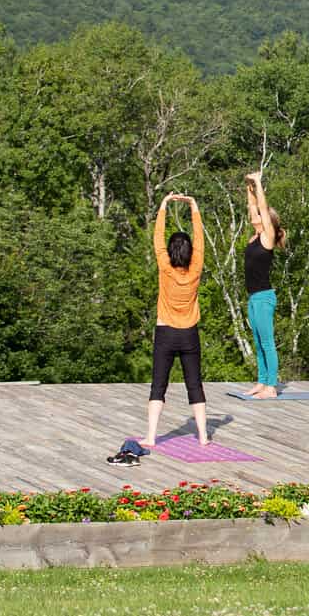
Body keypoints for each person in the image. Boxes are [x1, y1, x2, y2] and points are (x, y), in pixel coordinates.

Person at [113, 193, 209, 465]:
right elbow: (199, 242)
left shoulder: (165, 267)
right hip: (189, 333)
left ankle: (152, 436)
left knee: (159, 385)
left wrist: (164, 205)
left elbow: (157, 240)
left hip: (166, 332)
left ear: (170, 253)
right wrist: (194, 208)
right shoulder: (196, 268)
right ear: (190, 254)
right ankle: (203, 435)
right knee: (195, 385)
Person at [242, 171, 283, 399]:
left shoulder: (267, 237)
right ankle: (261, 382)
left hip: (265, 297)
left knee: (267, 342)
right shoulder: (254, 237)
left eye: (258, 214)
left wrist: (258, 183)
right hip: (253, 297)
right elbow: (253, 208)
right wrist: (249, 188)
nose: (254, 215)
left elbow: (263, 210)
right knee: (257, 341)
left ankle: (271, 386)